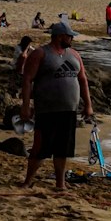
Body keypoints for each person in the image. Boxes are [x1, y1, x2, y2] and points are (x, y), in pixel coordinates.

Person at [19, 22, 94, 194]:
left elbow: (83, 80)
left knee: (63, 148)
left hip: (69, 109)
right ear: (60, 36)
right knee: (40, 147)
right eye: (70, 36)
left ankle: (60, 183)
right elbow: (27, 80)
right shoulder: (40, 53)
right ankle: (28, 181)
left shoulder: (74, 54)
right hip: (47, 109)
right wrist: (25, 106)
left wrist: (88, 105)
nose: (72, 39)